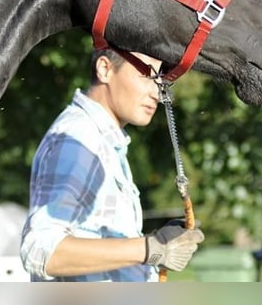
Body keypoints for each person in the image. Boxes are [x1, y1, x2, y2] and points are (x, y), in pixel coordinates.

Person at [19, 48, 205, 282]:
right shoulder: (79, 141)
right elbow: (40, 250)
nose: (156, 92)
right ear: (105, 69)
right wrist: (149, 249)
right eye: (146, 74)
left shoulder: (102, 140)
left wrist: (156, 245)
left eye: (159, 78)